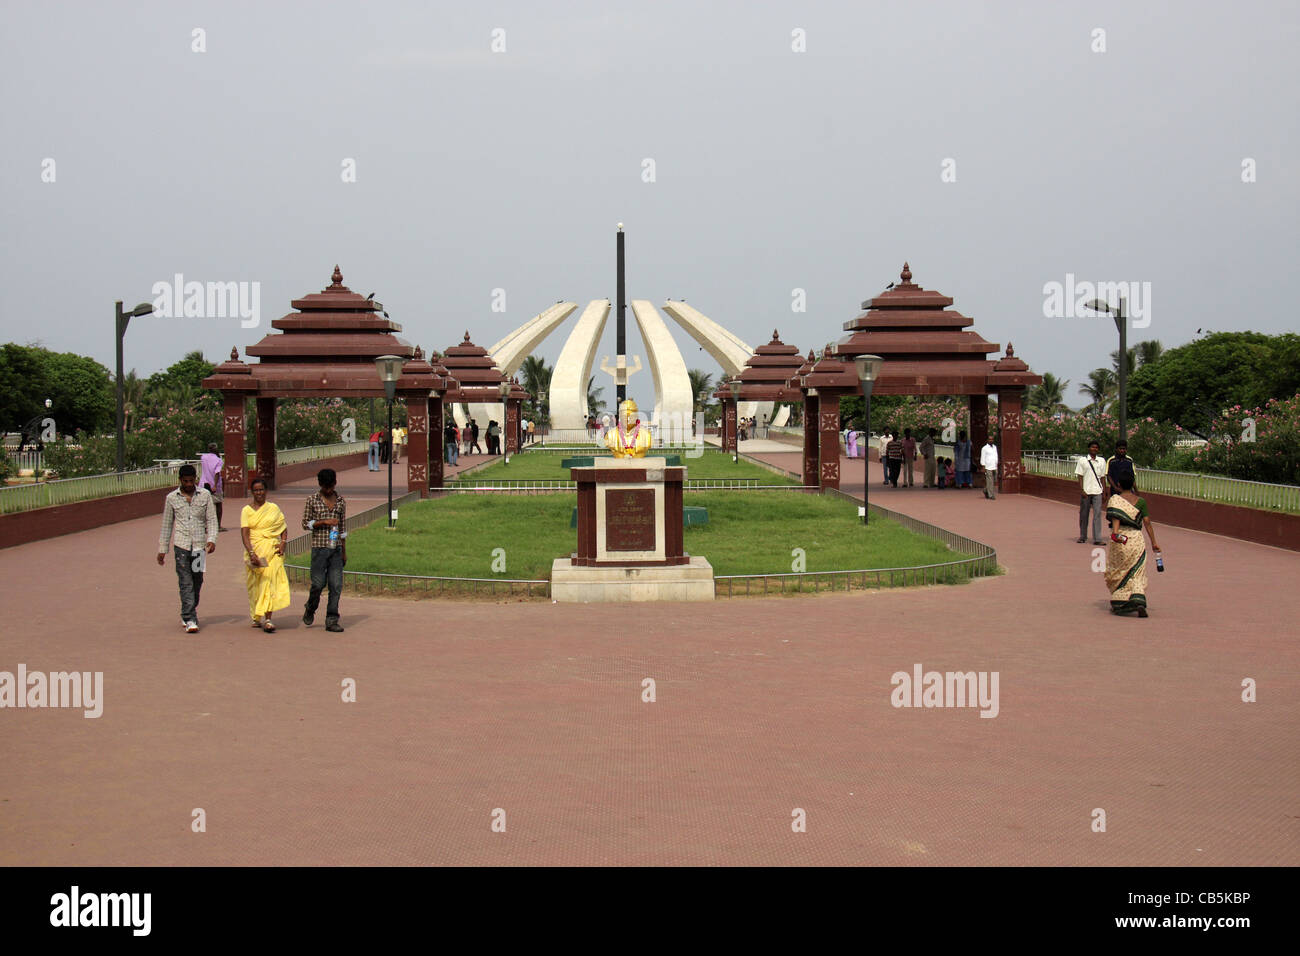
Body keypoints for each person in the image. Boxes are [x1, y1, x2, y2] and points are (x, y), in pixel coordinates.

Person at [157, 463, 217, 633]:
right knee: (185, 581)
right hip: (181, 546)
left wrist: (212, 540)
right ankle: (190, 618)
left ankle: (187, 611)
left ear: (196, 480)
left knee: (197, 581)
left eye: (191, 481)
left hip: (199, 546)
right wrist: (163, 549)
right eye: (186, 481)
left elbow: (212, 520)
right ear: (180, 480)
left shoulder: (204, 495)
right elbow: (167, 524)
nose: (189, 484)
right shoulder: (172, 498)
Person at [1105, 474, 1162, 618]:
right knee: (1137, 572)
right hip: (1137, 539)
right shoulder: (1141, 501)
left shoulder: (1115, 500)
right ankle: (1139, 600)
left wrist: (1118, 537)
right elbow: (1147, 522)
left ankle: (1122, 601)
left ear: (1118, 484)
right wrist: (1154, 542)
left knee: (1121, 571)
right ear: (1133, 484)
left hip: (1122, 539)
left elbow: (1116, 527)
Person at [241, 475, 290, 632]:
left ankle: (268, 619)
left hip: (272, 551)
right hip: (254, 552)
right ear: (252, 492)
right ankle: (257, 616)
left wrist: (283, 544)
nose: (259, 493)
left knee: (269, 584)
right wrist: (251, 552)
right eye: (256, 490)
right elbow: (245, 534)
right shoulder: (246, 511)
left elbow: (283, 528)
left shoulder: (274, 508)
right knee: (255, 585)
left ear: (266, 491)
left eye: (261, 489)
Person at [302, 468, 347, 633]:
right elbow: (305, 523)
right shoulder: (312, 500)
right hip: (319, 548)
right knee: (318, 583)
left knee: (336, 585)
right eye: (325, 487)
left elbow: (342, 527)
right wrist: (324, 522)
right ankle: (311, 606)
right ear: (320, 485)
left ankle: (332, 619)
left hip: (335, 548)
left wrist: (344, 550)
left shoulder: (341, 501)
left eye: (331, 487)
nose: (328, 490)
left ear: (335, 484)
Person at [1075, 439, 1108, 545]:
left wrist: (1104, 491)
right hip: (1086, 491)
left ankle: (1097, 538)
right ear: (1089, 448)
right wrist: (1082, 490)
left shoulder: (1102, 461)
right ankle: (1083, 536)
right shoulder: (1082, 460)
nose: (1094, 449)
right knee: (1084, 514)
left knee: (1097, 514)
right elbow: (1080, 476)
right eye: (1092, 447)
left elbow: (1103, 477)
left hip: (1098, 491)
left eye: (1096, 447)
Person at [199, 442, 225, 530]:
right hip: (214, 485)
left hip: (203, 484)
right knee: (218, 504)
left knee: (205, 506)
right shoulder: (219, 460)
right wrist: (214, 485)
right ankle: (218, 525)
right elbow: (217, 473)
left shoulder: (203, 457)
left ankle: (205, 526)